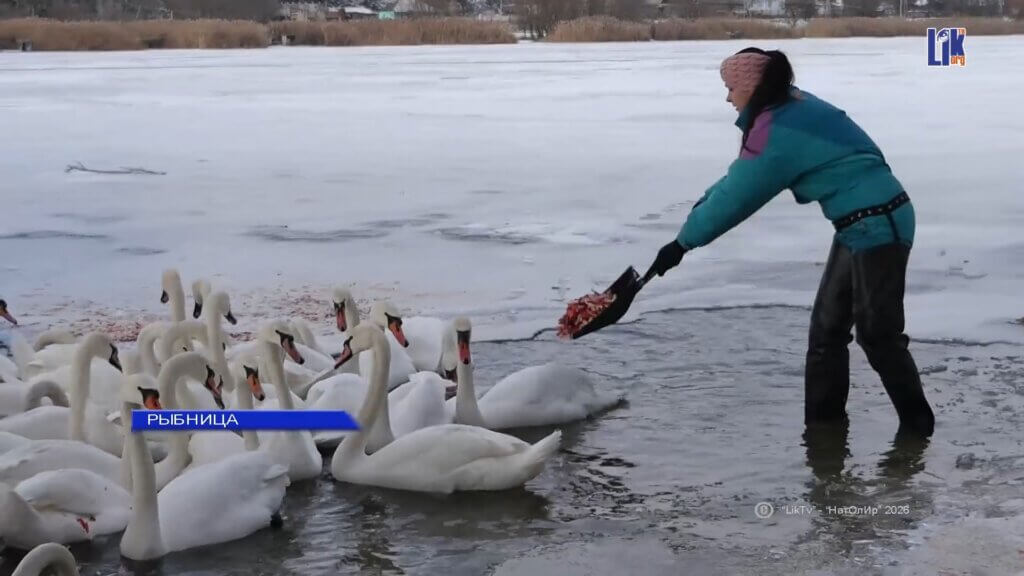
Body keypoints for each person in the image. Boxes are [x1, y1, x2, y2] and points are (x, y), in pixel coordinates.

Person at [647, 47, 935, 437]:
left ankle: (917, 431)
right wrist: (691, 224)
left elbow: (738, 196)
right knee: (826, 332)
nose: (728, 98)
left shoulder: (779, 130)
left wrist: (682, 243)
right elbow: (738, 178)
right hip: (860, 223)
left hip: (879, 222)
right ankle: (823, 432)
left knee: (878, 335)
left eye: (730, 88)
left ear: (752, 87)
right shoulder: (788, 108)